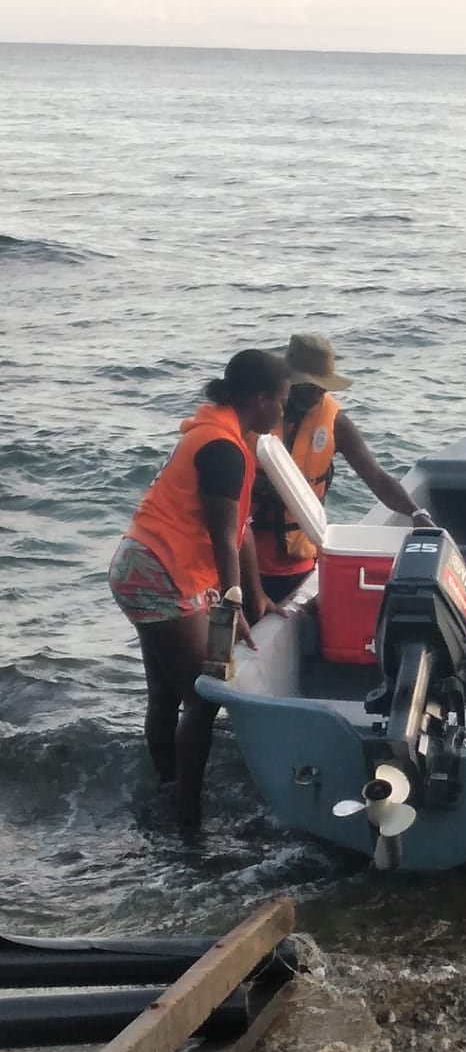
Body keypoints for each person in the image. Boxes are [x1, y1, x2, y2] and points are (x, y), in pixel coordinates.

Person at [108, 349, 289, 829]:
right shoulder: (224, 450)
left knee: (168, 695)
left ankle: (167, 788)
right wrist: (233, 607)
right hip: (158, 573)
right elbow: (221, 537)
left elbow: (241, 529)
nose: (284, 413)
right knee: (203, 696)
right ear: (262, 399)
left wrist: (257, 594)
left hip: (144, 564)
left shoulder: (227, 435)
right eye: (283, 403)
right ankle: (188, 818)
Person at [249, 332, 432, 600]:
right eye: (309, 385)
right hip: (250, 561)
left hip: (301, 560)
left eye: (322, 386)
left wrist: (417, 515)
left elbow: (378, 479)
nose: (318, 392)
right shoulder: (256, 416)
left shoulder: (336, 423)